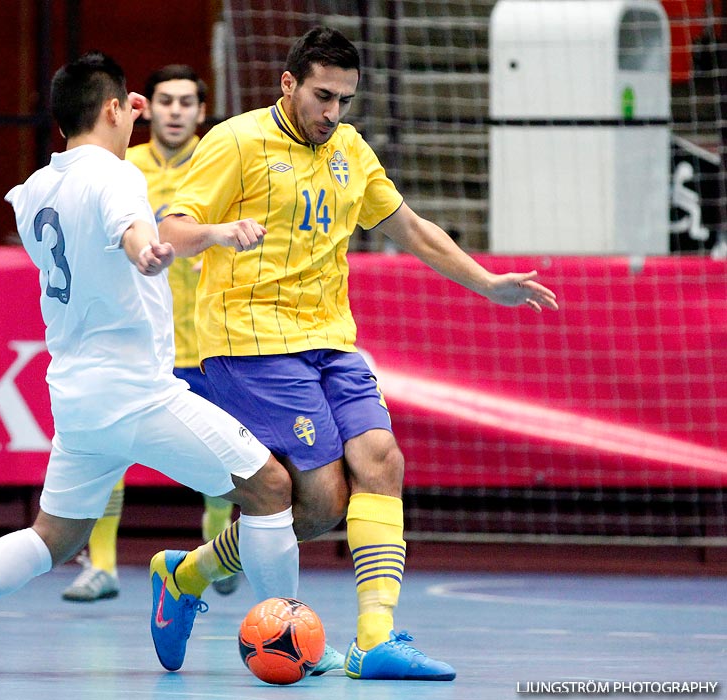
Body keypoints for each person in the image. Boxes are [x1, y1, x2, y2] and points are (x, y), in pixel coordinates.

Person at [0, 50, 301, 673]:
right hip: (138, 391)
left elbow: (92, 214)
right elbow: (131, 227)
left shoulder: (36, 189)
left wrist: (121, 140)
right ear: (115, 108)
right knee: (270, 486)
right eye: (128, 106)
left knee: (51, 537)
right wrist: (149, 251)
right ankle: (290, 634)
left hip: (77, 396)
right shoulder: (116, 177)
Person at [153, 27, 559, 682]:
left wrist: (487, 282)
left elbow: (412, 229)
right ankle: (188, 572)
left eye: (344, 99)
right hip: (250, 343)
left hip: (331, 341)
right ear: (288, 84)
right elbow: (170, 228)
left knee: (381, 459)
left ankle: (374, 639)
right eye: (322, 96)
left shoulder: (349, 149)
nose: (332, 113)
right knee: (318, 501)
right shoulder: (236, 141)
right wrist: (222, 231)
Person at [61, 64, 238, 603]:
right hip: (140, 345)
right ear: (146, 107)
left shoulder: (221, 163)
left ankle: (214, 555)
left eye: (187, 102)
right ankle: (104, 565)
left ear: (202, 111)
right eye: (166, 101)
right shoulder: (121, 165)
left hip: (210, 341)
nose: (176, 111)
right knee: (111, 460)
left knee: (223, 463)